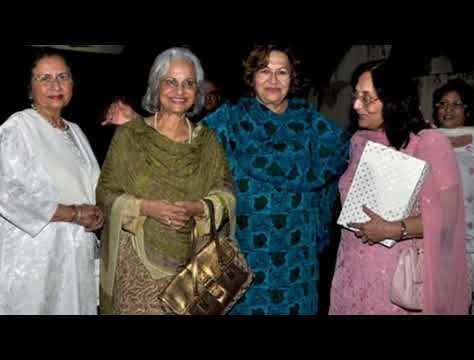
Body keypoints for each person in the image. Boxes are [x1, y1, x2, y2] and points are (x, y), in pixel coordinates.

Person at [103, 44, 350, 315]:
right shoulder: (228, 120)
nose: (273, 80)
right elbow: (183, 142)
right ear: (251, 76)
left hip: (297, 258)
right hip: (238, 257)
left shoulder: (316, 128)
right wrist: (136, 123)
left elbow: (341, 168)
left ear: (293, 78)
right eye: (264, 71)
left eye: (282, 72)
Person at [96, 47, 236, 315]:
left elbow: (226, 195)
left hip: (192, 268)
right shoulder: (130, 136)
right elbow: (105, 194)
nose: (179, 91)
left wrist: (197, 207)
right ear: (156, 85)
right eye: (170, 81)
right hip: (136, 269)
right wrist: (146, 208)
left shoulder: (207, 142)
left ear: (197, 91)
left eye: (188, 83)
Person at [329, 60, 471, 315]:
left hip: (396, 280)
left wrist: (393, 229)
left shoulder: (428, 143)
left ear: (394, 100)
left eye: (367, 98)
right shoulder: (359, 141)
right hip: (351, 270)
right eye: (356, 96)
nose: (356, 105)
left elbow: (449, 220)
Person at [0, 50, 104, 315]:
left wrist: (96, 213)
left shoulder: (76, 131)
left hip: (76, 256)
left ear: (72, 84)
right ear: (29, 88)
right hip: (36, 261)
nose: (55, 85)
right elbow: (7, 194)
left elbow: (94, 189)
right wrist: (74, 213)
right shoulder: (17, 127)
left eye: (62, 77)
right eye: (44, 78)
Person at [433, 79, 474, 315]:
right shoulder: (424, 142)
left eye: (456, 104)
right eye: (442, 103)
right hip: (435, 243)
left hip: (473, 244)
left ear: (467, 110)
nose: (448, 109)